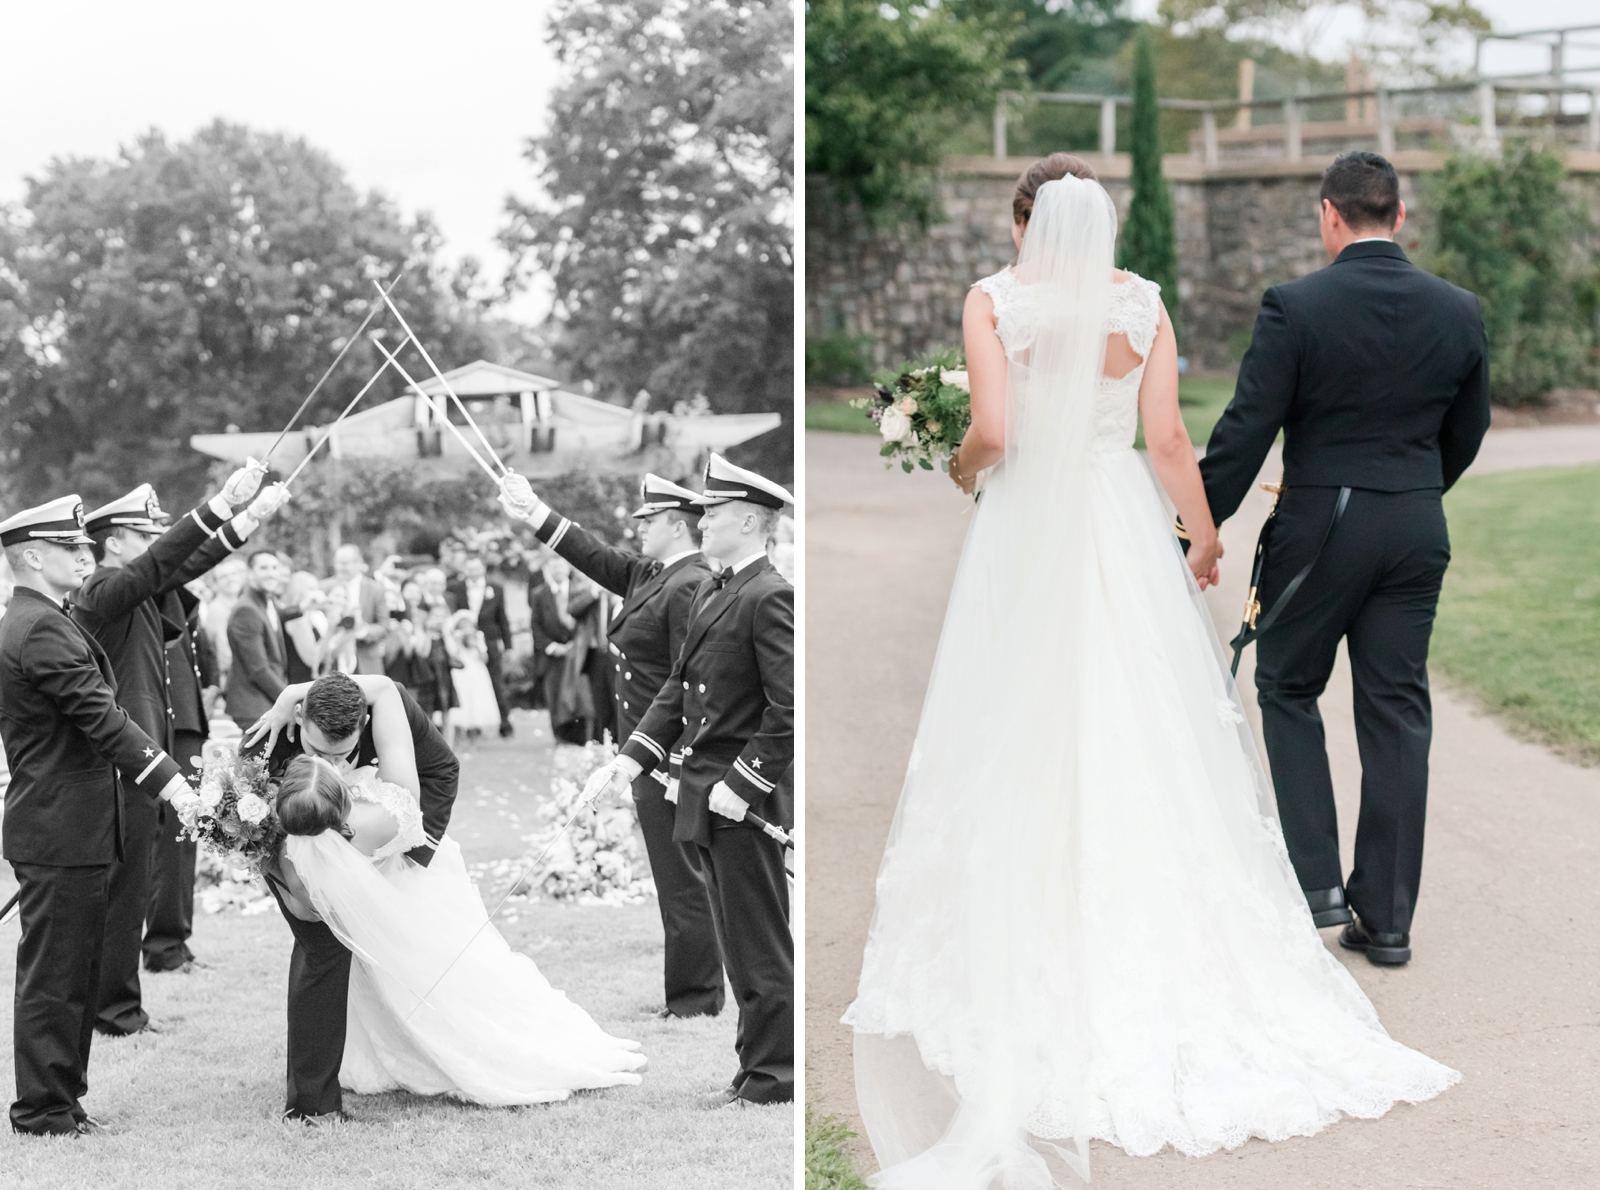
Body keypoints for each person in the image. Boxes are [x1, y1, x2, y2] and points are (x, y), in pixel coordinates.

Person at [840, 159, 1461, 1186]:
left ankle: (1030, 926)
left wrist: (963, 469)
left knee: (1016, 718)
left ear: (1023, 221)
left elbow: (992, 433)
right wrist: (1203, 540)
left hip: (1027, 526)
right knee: (1143, 720)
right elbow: (1167, 437)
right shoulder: (1143, 304)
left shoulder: (994, 301)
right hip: (1119, 522)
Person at [1197, 151, 1491, 965]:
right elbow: (1468, 430)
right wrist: (1416, 490)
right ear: (1398, 217)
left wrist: (1197, 526)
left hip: (1322, 526)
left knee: (1287, 684)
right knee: (1396, 712)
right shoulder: (1459, 309)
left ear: (1330, 215)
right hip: (1416, 524)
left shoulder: (1296, 305)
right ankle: (1388, 922)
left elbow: (1246, 430)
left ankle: (1319, 886)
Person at [577, 453, 794, 1107]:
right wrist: (630, 760)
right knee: (733, 939)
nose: (704, 522)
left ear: (751, 521)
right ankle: (753, 1066)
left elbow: (787, 707)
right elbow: (676, 689)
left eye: (717, 513)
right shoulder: (714, 589)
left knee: (758, 941)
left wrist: (747, 781)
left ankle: (774, 1075)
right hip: (703, 790)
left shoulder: (770, 594)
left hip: (738, 797)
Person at [262, 750, 646, 1104]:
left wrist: (264, 859)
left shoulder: (297, 851)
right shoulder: (374, 822)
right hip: (422, 900)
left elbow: (304, 910)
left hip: (385, 917)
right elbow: (416, 833)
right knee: (460, 984)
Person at [0, 495, 199, 1136]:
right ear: (32, 557)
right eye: (70, 547)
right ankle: (43, 1109)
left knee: (74, 970)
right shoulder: (38, 627)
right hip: (59, 826)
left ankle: (62, 1100)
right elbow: (101, 717)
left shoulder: (43, 618)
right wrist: (171, 783)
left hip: (69, 823)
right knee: (56, 975)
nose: (85, 555)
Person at [500, 471, 725, 1020]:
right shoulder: (656, 573)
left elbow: (693, 682)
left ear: (677, 525)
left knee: (684, 881)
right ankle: (694, 992)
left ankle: (695, 1000)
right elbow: (594, 556)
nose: (637, 528)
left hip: (667, 756)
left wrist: (675, 759)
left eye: (647, 521)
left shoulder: (690, 583)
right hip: (645, 752)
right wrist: (534, 510)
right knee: (675, 878)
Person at [72, 473, 287, 1036]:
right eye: (144, 534)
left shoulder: (133, 586)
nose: (156, 545)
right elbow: (162, 562)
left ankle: (117, 1003)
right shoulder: (101, 589)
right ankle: (114, 1009)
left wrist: (246, 518)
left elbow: (182, 563)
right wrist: (219, 502)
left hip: (146, 751)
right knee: (126, 885)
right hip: (125, 758)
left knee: (138, 877)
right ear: (113, 541)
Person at [241, 672, 459, 1122]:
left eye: (341, 755)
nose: (331, 766)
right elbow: (247, 827)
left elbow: (441, 771)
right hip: (286, 844)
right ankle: (312, 1105)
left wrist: (409, 856)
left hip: (382, 837)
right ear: (299, 720)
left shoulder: (391, 717)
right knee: (321, 945)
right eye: (317, 752)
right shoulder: (265, 746)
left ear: (366, 725)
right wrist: (298, 888)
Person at [145, 579, 217, 974]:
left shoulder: (176, 593)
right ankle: (163, 946)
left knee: (183, 837)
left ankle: (174, 939)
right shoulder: (148, 585)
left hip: (185, 720)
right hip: (166, 722)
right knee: (171, 837)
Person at [445, 553, 514, 737]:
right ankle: (469, 725)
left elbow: (503, 618)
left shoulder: (496, 589)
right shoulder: (454, 588)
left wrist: (508, 646)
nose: (473, 571)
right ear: (465, 570)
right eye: (470, 568)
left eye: (477, 568)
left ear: (482, 569)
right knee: (468, 684)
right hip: (463, 645)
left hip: (489, 642)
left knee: (496, 682)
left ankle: (504, 723)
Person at [224, 550, 290, 730]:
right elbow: (258, 670)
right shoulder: (246, 610)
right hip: (253, 705)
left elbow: (277, 619)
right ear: (250, 573)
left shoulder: (266, 602)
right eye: (264, 568)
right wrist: (289, 698)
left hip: (265, 701)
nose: (271, 573)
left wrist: (303, 608)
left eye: (275, 568)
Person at [329, 544, 391, 675]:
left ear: (358, 563)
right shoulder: (324, 587)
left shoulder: (376, 589)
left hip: (366, 660)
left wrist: (362, 629)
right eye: (337, 563)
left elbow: (384, 627)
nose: (340, 567)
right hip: (332, 662)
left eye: (345, 563)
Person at [447, 610, 501, 738]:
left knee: (477, 699)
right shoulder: (455, 637)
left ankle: (473, 734)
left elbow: (484, 658)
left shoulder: (478, 636)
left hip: (477, 671)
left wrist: (476, 645)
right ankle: (459, 734)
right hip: (460, 673)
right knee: (462, 699)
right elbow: (453, 654)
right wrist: (459, 641)